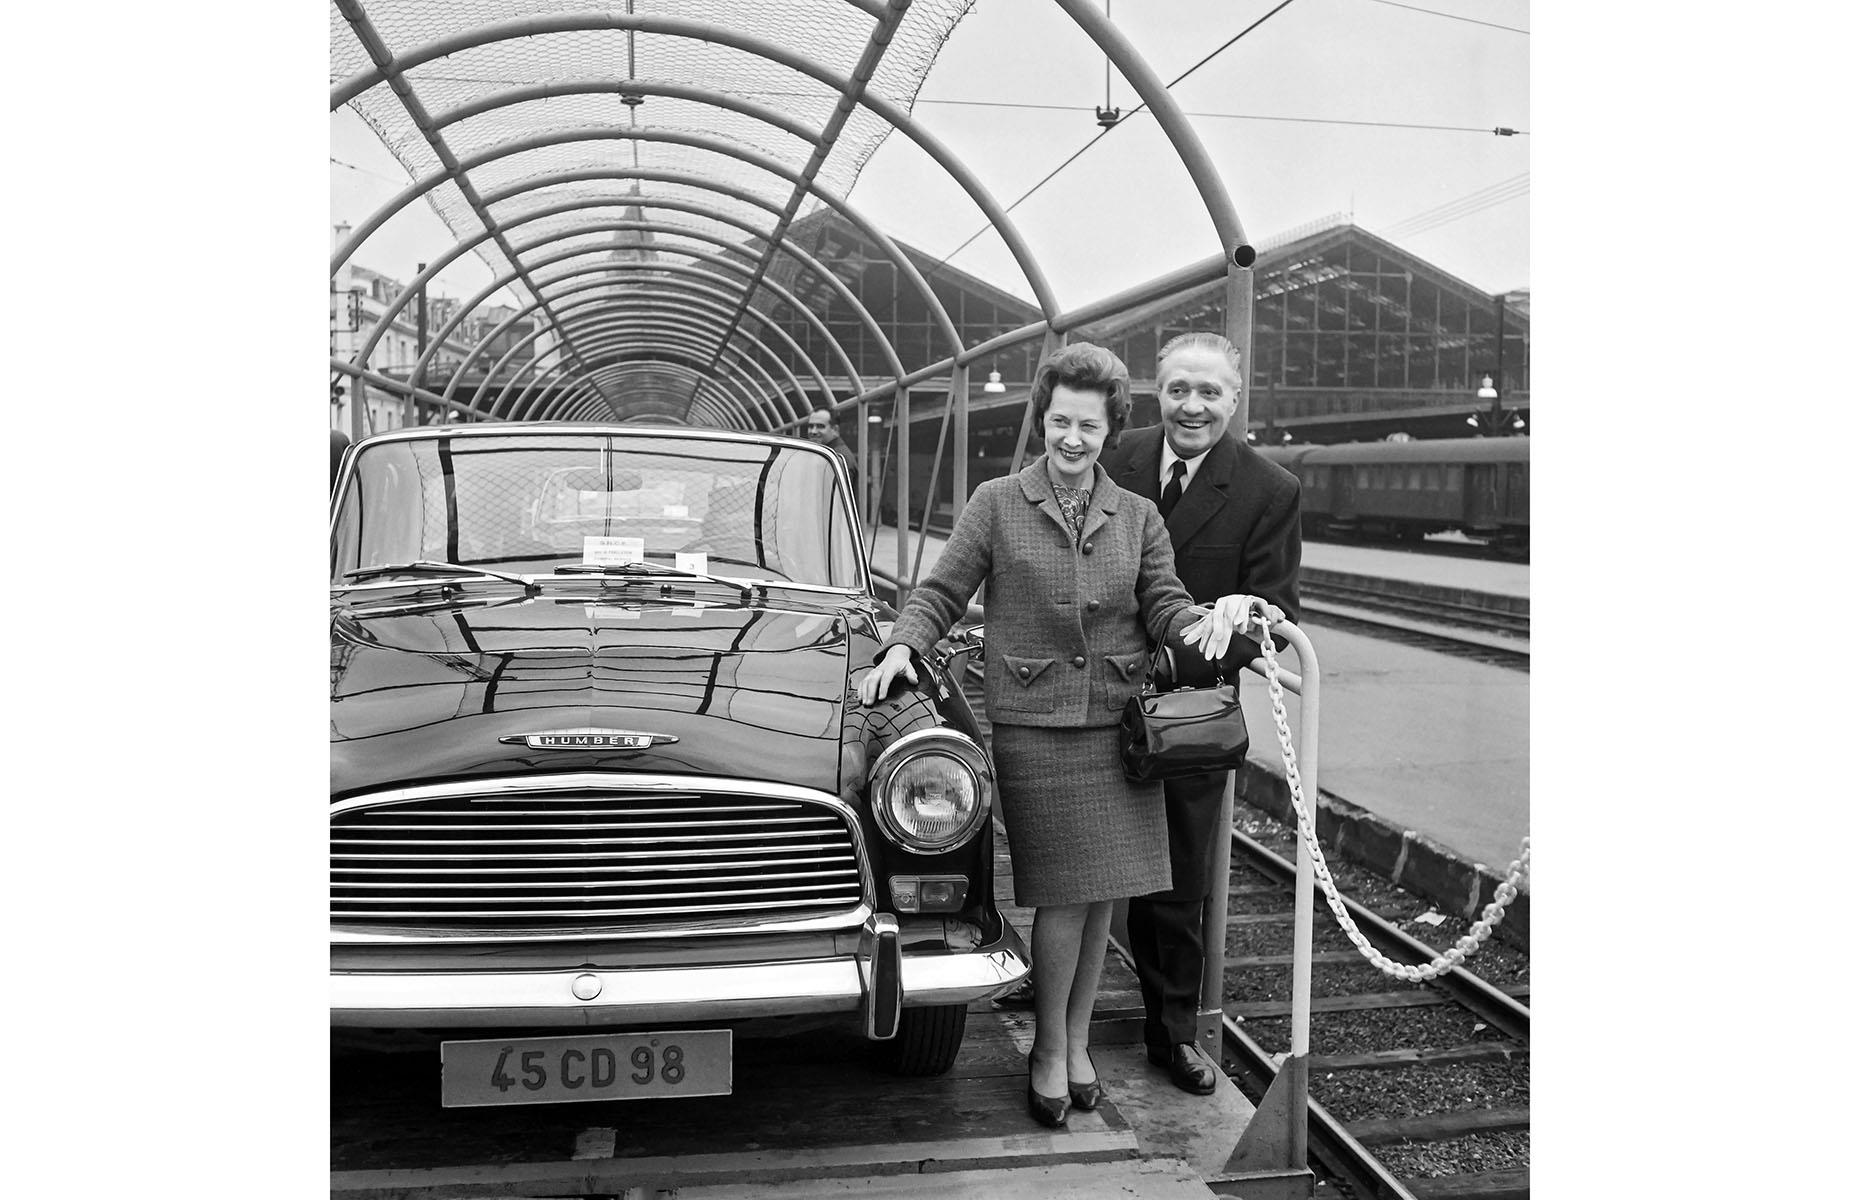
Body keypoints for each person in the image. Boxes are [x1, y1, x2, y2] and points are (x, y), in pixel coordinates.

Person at [859, 342, 1258, 1130]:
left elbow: (1165, 605)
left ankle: (1076, 1042)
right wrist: (903, 644)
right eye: (1059, 421)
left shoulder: (1137, 515)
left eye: (1089, 424)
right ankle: (1047, 1047)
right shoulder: (998, 502)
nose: (1072, 439)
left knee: (1105, 891)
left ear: (1113, 430)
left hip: (1118, 726)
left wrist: (1215, 620)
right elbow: (942, 588)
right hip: (1037, 726)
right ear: (1042, 419)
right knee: (1064, 896)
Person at [1100, 331, 1302, 1096]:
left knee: (1179, 877)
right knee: (1075, 854)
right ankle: (1055, 1004)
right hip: (1096, 687)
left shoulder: (1268, 489)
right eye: (1180, 388)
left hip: (1190, 708)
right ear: (1158, 389)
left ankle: (1172, 1031)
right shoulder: (1112, 455)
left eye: (1210, 392)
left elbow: (1278, 604)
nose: (1193, 406)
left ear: (1235, 398)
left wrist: (1248, 610)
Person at [802, 407, 860, 501]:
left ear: (835, 429)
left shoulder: (839, 458)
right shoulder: (826, 455)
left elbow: (835, 502)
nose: (813, 431)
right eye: (811, 426)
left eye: (820, 426)